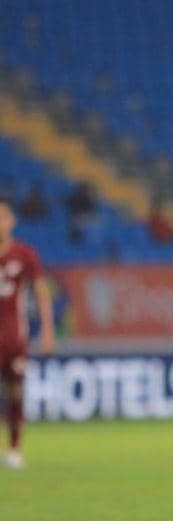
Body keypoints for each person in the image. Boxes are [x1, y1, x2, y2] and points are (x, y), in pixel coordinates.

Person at [0, 200, 56, 469]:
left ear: (12, 222)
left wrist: (47, 329)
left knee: (15, 391)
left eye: (3, 217)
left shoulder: (24, 254)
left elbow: (41, 292)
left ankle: (14, 448)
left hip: (13, 337)